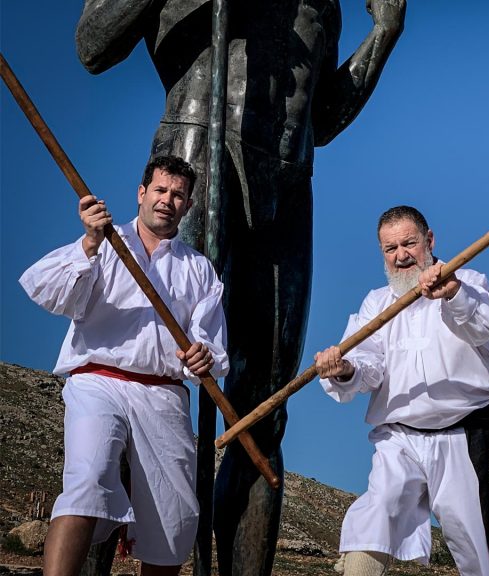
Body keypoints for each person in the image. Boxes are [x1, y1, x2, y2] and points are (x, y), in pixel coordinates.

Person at [75, 1, 406, 571]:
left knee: (265, 410)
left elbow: (320, 119)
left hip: (287, 184)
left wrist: (385, 33)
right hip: (199, 157)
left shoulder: (323, 4)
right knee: (150, 383)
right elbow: (93, 47)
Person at [19, 155, 228, 576]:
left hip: (163, 393)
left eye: (178, 195)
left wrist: (202, 355)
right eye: (160, 190)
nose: (167, 200)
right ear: (141, 193)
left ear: (187, 206)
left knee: (173, 518)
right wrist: (88, 244)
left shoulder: (199, 269)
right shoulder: (105, 243)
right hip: (98, 381)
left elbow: (212, 348)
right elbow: (46, 291)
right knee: (87, 480)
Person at [314, 206, 489, 576]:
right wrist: (345, 367)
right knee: (374, 517)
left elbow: (486, 330)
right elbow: (368, 365)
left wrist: (454, 293)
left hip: (464, 436)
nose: (401, 256)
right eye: (390, 248)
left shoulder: (471, 281)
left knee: (481, 555)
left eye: (409, 243)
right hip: (400, 438)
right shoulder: (376, 303)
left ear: (429, 240)